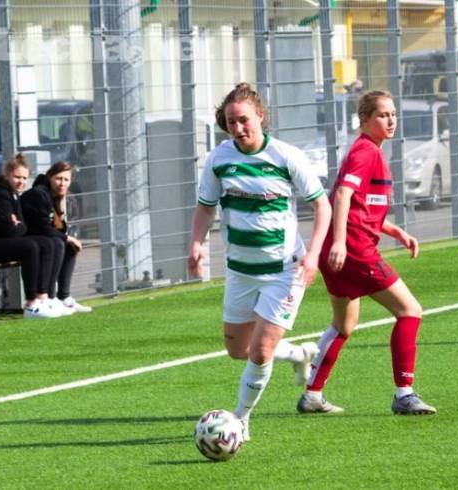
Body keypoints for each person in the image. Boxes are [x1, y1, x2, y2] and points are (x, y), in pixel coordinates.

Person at [187, 83, 332, 440]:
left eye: (244, 120)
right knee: (239, 350)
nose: (238, 128)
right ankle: (298, 355)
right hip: (240, 271)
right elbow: (205, 207)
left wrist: (313, 255)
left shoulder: (286, 156)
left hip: (284, 271)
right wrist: (196, 243)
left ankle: (240, 420)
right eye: (231, 122)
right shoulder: (219, 160)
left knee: (261, 350)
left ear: (261, 117)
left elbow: (322, 205)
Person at [297, 90, 437, 416]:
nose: (391, 121)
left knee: (343, 325)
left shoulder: (371, 151)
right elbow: (342, 196)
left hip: (342, 251)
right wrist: (340, 242)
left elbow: (363, 207)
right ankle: (404, 393)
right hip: (354, 251)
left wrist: (396, 232)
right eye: (382, 115)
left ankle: (312, 394)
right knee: (410, 311)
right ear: (364, 119)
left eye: (393, 114)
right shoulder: (365, 151)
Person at [0, 153, 64, 318]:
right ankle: (31, 304)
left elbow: (21, 227)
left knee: (48, 243)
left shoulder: (14, 194)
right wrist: (17, 225)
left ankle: (45, 298)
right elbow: (9, 232)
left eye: (24, 178)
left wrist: (18, 224)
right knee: (29, 246)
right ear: (7, 175)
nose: (21, 181)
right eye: (17, 177)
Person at [21, 161, 92, 314]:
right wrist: (67, 238)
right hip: (27, 239)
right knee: (58, 242)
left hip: (40, 238)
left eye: (66, 180)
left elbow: (58, 228)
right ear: (50, 177)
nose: (62, 183)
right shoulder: (39, 194)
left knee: (68, 246)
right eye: (58, 178)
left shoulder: (54, 196)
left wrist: (66, 235)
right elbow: (43, 227)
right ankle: (49, 298)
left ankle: (64, 298)